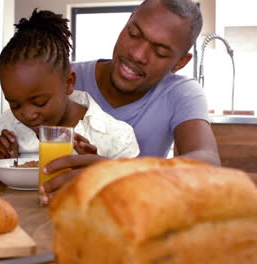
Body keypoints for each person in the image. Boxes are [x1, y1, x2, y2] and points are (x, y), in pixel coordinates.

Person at [40, 0, 221, 204]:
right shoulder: (67, 79)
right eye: (134, 34)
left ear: (180, 62)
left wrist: (121, 174)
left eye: (159, 52)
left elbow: (208, 163)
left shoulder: (181, 92)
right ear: (126, 23)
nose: (137, 54)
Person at [0, 10, 139, 164]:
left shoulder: (118, 137)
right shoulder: (9, 124)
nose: (27, 114)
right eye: (15, 105)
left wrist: (99, 171)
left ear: (68, 83)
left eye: (40, 102)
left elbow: (131, 186)